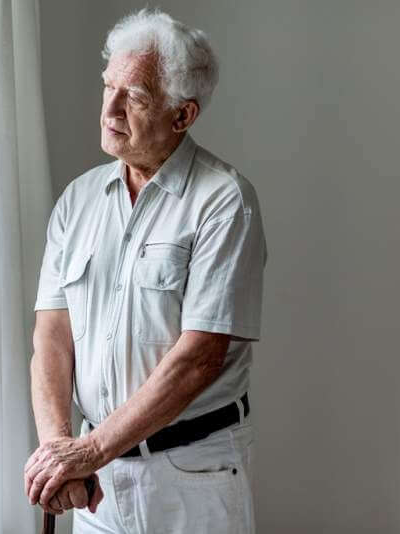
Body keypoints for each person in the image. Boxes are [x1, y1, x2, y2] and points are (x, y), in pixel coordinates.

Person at [24, 8, 267, 534]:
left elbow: (200, 358)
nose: (109, 108)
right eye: (108, 86)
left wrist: (86, 450)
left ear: (183, 115)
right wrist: (57, 450)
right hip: (98, 487)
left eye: (132, 96)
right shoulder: (78, 200)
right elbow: (52, 336)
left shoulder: (224, 201)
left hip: (192, 479)